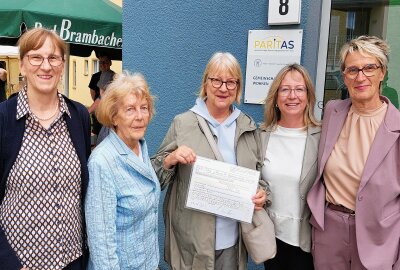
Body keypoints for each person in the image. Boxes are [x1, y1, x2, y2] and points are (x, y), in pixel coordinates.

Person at [152, 52, 267, 270]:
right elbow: (154, 178)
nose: (223, 88)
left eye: (231, 82)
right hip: (192, 244)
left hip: (233, 243)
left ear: (238, 86)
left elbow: (259, 176)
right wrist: (171, 159)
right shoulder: (183, 123)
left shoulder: (248, 126)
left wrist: (262, 194)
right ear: (206, 82)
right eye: (216, 80)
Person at [0, 27, 91, 270]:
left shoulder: (78, 116)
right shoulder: (3, 120)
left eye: (53, 58)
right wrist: (9, 262)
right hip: (20, 262)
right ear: (22, 65)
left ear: (62, 65)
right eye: (36, 57)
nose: (46, 66)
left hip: (73, 260)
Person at [307, 35, 400, 270]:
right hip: (329, 231)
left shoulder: (397, 127)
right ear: (344, 77)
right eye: (352, 70)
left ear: (383, 73)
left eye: (369, 67)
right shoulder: (333, 111)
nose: (361, 77)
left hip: (379, 238)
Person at [85, 71, 160, 270]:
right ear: (114, 117)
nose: (140, 116)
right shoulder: (102, 162)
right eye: (130, 109)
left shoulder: (139, 147)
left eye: (144, 108)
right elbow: (101, 242)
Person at [260, 64, 320, 270]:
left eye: (299, 89)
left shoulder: (323, 136)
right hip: (272, 238)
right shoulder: (261, 135)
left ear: (309, 96)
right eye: (285, 89)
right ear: (276, 97)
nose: (292, 96)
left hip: (308, 242)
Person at [88, 53, 115, 136]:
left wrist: (88, 111)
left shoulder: (107, 74)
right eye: (101, 62)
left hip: (104, 113)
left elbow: (101, 96)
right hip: (103, 112)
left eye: (105, 62)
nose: (103, 64)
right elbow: (93, 93)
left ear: (110, 63)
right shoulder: (105, 75)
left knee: (100, 138)